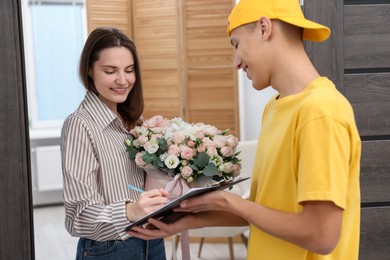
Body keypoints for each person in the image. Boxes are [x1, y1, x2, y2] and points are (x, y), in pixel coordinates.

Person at [127, 0, 361, 259]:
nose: (236, 62)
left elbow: (322, 235)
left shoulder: (320, 112)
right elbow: (266, 210)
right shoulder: (275, 108)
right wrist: (192, 220)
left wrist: (228, 200)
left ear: (264, 28)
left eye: (236, 44)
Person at [61, 27, 170, 260]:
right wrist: (130, 211)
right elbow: (78, 216)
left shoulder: (135, 123)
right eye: (110, 71)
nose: (123, 80)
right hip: (110, 249)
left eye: (129, 70)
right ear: (89, 70)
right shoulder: (80, 125)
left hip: (152, 240)